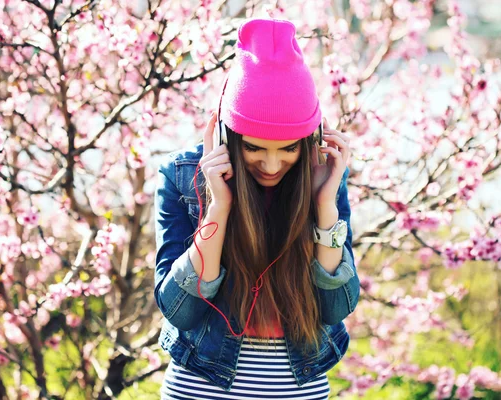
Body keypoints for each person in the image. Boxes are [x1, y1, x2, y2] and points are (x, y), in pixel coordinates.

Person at [153, 17, 360, 400]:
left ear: (310, 140)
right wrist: (218, 208)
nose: (270, 164)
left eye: (288, 149)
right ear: (225, 135)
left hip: (297, 386)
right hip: (202, 386)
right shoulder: (182, 176)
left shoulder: (322, 177)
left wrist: (325, 204)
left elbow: (335, 306)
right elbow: (179, 311)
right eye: (253, 148)